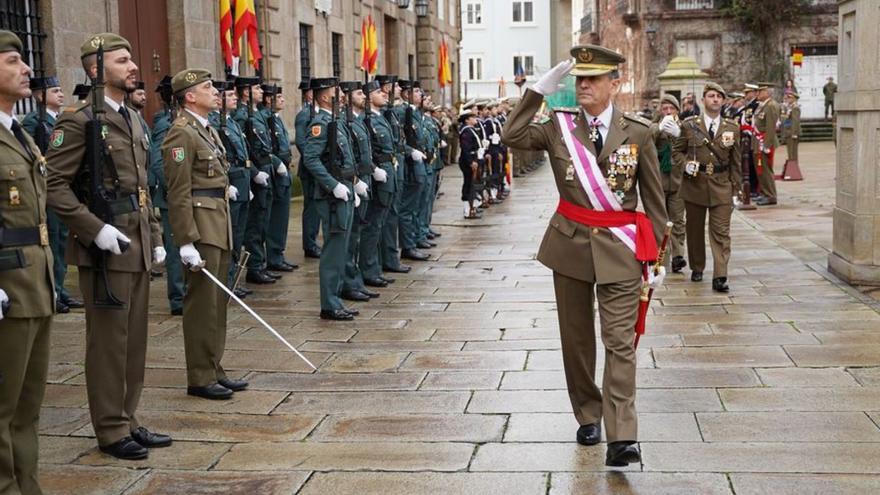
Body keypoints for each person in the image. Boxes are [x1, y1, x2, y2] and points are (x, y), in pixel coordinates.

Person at [502, 45, 666, 467]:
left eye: (594, 79)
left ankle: (622, 436)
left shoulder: (639, 131)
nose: (585, 86)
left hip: (621, 252)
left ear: (616, 84)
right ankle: (588, 414)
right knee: (577, 342)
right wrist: (537, 92)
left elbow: (656, 203)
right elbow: (513, 136)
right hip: (570, 245)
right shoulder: (559, 127)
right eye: (580, 79)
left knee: (620, 342)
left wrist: (659, 258)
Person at [46, 33, 170, 460]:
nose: (133, 66)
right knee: (108, 342)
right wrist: (92, 228)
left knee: (134, 340)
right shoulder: (78, 120)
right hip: (104, 246)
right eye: (122, 60)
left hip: (135, 242)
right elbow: (55, 185)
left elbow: (143, 189)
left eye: (132, 58)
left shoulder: (133, 118)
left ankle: (128, 417)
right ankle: (110, 427)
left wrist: (154, 237)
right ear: (96, 70)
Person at [161, 68, 246, 400]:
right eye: (207, 87)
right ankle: (199, 375)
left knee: (217, 303)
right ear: (190, 96)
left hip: (218, 222)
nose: (215, 92)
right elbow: (178, 192)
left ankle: (214, 368)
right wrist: (185, 240)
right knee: (201, 305)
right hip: (201, 227)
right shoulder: (181, 133)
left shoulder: (205, 130)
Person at [0, 30, 55, 495]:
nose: (27, 69)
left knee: (27, 404)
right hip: (6, 284)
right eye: (14, 60)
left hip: (35, 279)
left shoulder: (15, 132)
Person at [21, 75, 84, 314]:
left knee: (61, 243)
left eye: (60, 89)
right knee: (54, 241)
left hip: (61, 190)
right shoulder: (33, 121)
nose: (60, 94)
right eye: (54, 90)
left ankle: (61, 290)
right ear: (39, 96)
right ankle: (54, 291)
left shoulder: (56, 120)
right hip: (47, 192)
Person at [673, 82, 741, 293]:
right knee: (694, 231)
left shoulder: (732, 128)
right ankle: (697, 266)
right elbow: (677, 152)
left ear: (724, 101)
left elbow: (736, 162)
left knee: (721, 232)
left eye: (719, 96)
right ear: (703, 100)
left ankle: (720, 275)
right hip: (695, 184)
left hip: (721, 185)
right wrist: (685, 165)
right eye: (711, 95)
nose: (715, 99)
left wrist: (736, 190)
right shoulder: (689, 125)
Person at [301, 77, 359, 321]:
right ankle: (329, 304)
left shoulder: (335, 121)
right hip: (330, 196)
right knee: (334, 249)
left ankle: (335, 300)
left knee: (342, 247)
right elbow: (310, 159)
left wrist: (353, 185)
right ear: (325, 97)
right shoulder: (320, 124)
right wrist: (333, 185)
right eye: (337, 92)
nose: (343, 95)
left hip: (344, 190)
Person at [233, 78, 279, 285]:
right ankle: (254, 267)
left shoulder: (257, 114)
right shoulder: (242, 116)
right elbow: (241, 151)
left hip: (265, 170)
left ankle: (259, 264)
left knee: (263, 222)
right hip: (254, 174)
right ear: (245, 93)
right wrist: (254, 173)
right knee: (254, 224)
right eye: (256, 88)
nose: (261, 91)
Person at [209, 80, 253, 299]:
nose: (235, 98)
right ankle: (227, 281)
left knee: (239, 234)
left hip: (243, 182)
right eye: (229, 95)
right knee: (230, 235)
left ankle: (233, 278)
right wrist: (228, 184)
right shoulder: (215, 124)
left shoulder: (231, 122)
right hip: (232, 183)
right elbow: (219, 158)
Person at [149, 75, 186, 314]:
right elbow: (158, 163)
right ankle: (178, 298)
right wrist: (176, 190)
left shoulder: (181, 121)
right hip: (172, 197)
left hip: (183, 196)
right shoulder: (165, 123)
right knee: (174, 249)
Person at [338, 80, 377, 302]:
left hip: (363, 180)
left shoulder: (358, 120)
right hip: (353, 182)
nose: (364, 96)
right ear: (346, 96)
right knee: (350, 238)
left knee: (357, 235)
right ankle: (348, 283)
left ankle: (355, 280)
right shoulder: (344, 121)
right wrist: (353, 181)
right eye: (359, 93)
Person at [358, 80, 396, 288]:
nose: (383, 94)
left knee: (380, 222)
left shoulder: (380, 117)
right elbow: (366, 150)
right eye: (378, 92)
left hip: (388, 171)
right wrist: (374, 170)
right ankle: (369, 269)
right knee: (372, 225)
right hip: (377, 174)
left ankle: (376, 266)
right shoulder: (366, 119)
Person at [392, 80, 430, 262]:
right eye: (416, 92)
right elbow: (399, 139)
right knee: (407, 208)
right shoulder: (401, 112)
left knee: (415, 205)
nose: (420, 95)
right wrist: (410, 152)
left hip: (419, 162)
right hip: (409, 165)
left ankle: (414, 239)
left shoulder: (413, 112)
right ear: (407, 95)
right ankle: (408, 245)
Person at [261, 84, 298, 273]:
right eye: (279, 97)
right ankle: (273, 256)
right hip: (274, 173)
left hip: (283, 172)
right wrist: (276, 163)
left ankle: (278, 254)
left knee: (282, 217)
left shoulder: (275, 119)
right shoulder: (265, 119)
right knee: (275, 217)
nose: (283, 100)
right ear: (269, 99)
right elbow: (264, 148)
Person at [652, 94, 687, 273]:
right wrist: (659, 128)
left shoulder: (684, 127)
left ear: (677, 110)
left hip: (678, 181)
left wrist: (679, 134)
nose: (667, 112)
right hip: (658, 180)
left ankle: (678, 255)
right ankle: (661, 256)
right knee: (660, 220)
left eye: (671, 108)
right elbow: (647, 139)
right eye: (664, 108)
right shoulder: (653, 126)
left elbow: (690, 146)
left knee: (678, 221)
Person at [295, 79, 322, 259]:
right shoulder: (306, 114)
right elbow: (301, 142)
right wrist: (314, 163)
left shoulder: (318, 113)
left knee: (318, 207)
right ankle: (309, 245)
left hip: (320, 168)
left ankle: (313, 242)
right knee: (311, 208)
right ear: (310, 94)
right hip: (310, 169)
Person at [754, 82, 779, 206]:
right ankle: (764, 193)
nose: (757, 93)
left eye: (760, 91)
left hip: (764, 141)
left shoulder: (771, 105)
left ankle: (770, 195)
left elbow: (771, 127)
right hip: (758, 141)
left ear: (767, 92)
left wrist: (767, 145)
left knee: (766, 169)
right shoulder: (762, 105)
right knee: (760, 169)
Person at [458, 109, 483, 219]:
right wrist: (471, 162)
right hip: (468, 161)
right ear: (467, 120)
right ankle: (467, 210)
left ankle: (473, 206)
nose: (475, 119)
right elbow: (465, 149)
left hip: (475, 159)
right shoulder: (466, 131)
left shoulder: (471, 130)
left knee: (473, 184)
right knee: (468, 184)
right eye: (472, 117)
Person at [782, 92, 801, 167]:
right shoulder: (789, 107)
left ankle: (794, 167)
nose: (788, 99)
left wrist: (794, 133)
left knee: (793, 152)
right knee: (790, 151)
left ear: (794, 99)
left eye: (790, 98)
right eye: (787, 98)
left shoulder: (795, 107)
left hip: (792, 132)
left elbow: (795, 121)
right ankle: (792, 167)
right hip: (788, 131)